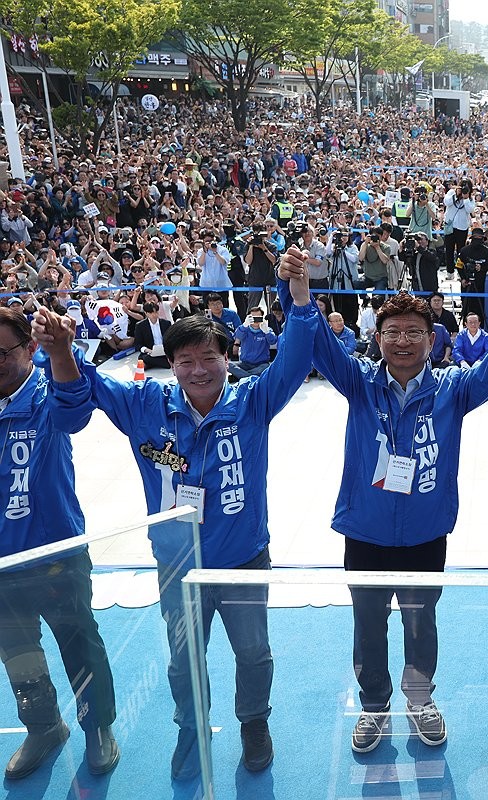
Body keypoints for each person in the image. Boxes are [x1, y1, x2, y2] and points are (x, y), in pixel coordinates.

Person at [275, 243, 488, 754]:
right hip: (365, 531)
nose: (402, 341)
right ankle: (374, 706)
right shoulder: (357, 382)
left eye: (413, 332)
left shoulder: (454, 390)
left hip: (423, 533)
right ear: (378, 338)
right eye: (392, 332)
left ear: (432, 338)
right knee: (369, 626)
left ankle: (419, 700)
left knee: (421, 623)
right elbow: (314, 344)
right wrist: (297, 293)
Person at [73, 253, 319, 780]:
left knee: (253, 652)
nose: (198, 370)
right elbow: (90, 385)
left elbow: (296, 362)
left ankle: (254, 722)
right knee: (183, 660)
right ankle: (191, 727)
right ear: (172, 364)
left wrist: (298, 297)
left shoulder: (252, 402)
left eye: (208, 357)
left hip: (243, 561)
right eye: (185, 361)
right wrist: (63, 345)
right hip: (177, 568)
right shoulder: (146, 407)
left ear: (227, 358)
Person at [0, 307, 119, 780]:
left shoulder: (46, 393)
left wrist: (62, 352)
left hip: (55, 557)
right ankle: (44, 726)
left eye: (3, 352)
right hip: (3, 567)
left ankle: (98, 727)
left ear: (29, 349)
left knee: (78, 643)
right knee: (18, 652)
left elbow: (74, 408)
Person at [229, 309, 277, 381]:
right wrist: (244, 325)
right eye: (253, 318)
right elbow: (237, 336)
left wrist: (267, 332)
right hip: (245, 364)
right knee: (228, 365)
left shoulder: (267, 329)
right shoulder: (244, 329)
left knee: (267, 368)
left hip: (261, 364)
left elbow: (273, 341)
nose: (256, 320)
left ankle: (241, 376)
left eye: (258, 317)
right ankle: (251, 377)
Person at [133, 301, 172, 369]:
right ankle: (157, 363)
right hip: (149, 352)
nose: (154, 314)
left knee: (169, 360)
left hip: (164, 352)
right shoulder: (140, 326)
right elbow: (138, 344)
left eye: (156, 312)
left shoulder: (166, 323)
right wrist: (147, 350)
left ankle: (151, 364)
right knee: (146, 358)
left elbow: (171, 339)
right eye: (151, 313)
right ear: (146, 313)